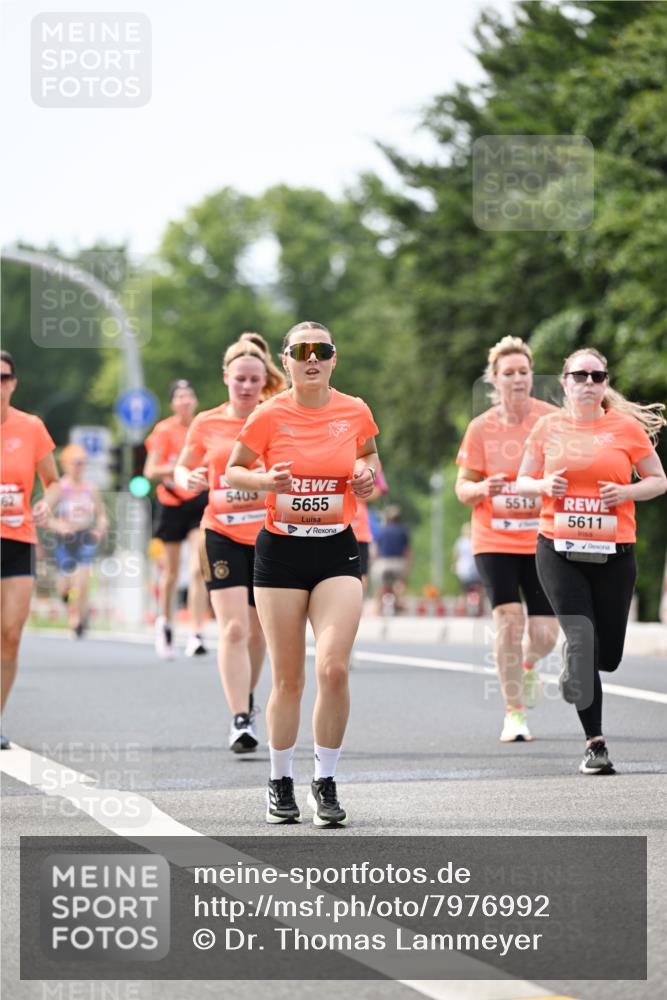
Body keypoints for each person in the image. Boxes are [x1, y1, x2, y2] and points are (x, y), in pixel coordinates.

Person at [226, 321, 379, 826]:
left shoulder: (354, 410)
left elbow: (371, 463)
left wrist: (365, 479)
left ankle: (326, 780)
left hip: (336, 549)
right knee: (288, 679)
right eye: (301, 351)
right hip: (281, 555)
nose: (312, 358)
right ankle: (279, 781)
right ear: (287, 361)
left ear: (334, 359)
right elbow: (234, 469)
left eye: (322, 350)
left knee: (333, 668)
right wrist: (265, 480)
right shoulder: (269, 415)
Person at [517, 347, 666, 774]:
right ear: (564, 382)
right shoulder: (547, 427)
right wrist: (545, 483)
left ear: (605, 384)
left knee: (608, 656)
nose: (587, 383)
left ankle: (576, 662)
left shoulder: (626, 428)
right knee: (582, 643)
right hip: (559, 549)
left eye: (596, 376)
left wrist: (627, 493)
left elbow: (658, 480)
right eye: (579, 375)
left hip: (615, 551)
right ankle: (595, 744)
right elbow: (523, 479)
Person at [174, 337, 285, 753]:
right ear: (226, 378)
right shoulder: (206, 422)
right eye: (239, 378)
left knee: (259, 634)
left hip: (267, 534)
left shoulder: (275, 417)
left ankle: (248, 698)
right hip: (219, 532)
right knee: (234, 628)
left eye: (254, 379)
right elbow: (185, 465)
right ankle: (240, 718)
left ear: (263, 382)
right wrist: (189, 479)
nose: (246, 386)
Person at [455, 336, 560, 742]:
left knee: (546, 635)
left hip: (541, 537)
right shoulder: (481, 428)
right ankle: (514, 713)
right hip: (494, 538)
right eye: (508, 373)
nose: (517, 379)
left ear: (532, 376)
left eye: (523, 372)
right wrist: (483, 490)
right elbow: (462, 488)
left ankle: (529, 666)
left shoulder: (552, 421)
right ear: (494, 380)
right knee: (508, 620)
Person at [1, 350, 59, 749]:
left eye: (4, 376)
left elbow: (52, 481)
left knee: (10, 634)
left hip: (18, 539)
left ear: (14, 382)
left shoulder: (31, 427)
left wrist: (46, 503)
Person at [144, 380, 209, 659]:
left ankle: (196, 632)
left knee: (197, 568)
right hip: (171, 502)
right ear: (173, 403)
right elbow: (150, 470)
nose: (185, 401)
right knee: (170, 573)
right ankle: (165, 624)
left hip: (197, 503)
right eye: (179, 397)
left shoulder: (203, 426)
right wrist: (178, 467)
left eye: (189, 395)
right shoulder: (164, 430)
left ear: (194, 400)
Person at [48, 444, 108, 638]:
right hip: (65, 540)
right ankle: (66, 599)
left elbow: (101, 515)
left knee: (81, 581)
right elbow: (45, 516)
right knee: (64, 585)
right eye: (75, 463)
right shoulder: (60, 488)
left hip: (84, 538)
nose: (79, 467)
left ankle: (77, 620)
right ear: (66, 464)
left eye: (82, 463)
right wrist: (59, 526)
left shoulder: (91, 489)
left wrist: (100, 529)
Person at [371, 504, 411, 615]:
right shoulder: (403, 531)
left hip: (383, 563)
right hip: (398, 562)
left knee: (379, 585)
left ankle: (377, 608)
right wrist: (408, 565)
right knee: (399, 583)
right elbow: (407, 551)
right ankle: (400, 602)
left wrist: (374, 563)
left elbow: (375, 550)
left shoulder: (381, 531)